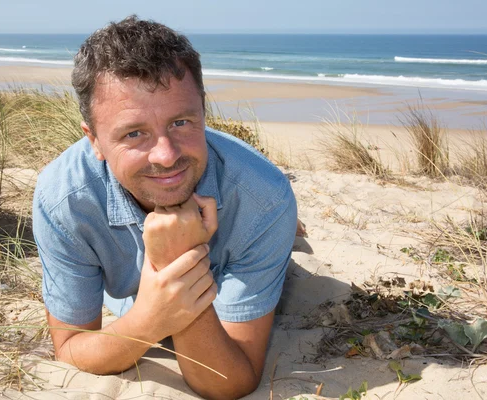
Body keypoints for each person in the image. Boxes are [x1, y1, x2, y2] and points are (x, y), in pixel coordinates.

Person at [32, 15, 297, 400]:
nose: (166, 155)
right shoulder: (64, 201)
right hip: (131, 301)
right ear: (95, 141)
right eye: (134, 133)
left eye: (181, 122)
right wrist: (148, 320)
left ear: (204, 112)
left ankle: (294, 234)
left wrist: (178, 258)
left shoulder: (264, 200)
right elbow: (71, 347)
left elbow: (230, 384)